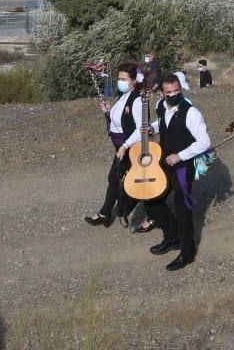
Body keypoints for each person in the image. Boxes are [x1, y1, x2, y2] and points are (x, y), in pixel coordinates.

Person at [140, 73, 212, 271]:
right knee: (152, 199)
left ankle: (187, 253)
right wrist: (152, 129)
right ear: (162, 93)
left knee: (183, 209)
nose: (173, 95)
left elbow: (205, 142)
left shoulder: (191, 113)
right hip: (164, 162)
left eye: (177, 91)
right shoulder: (161, 106)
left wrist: (180, 156)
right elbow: (163, 122)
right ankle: (172, 237)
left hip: (182, 166)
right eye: (169, 92)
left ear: (181, 90)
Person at [85, 62, 144, 228]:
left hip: (130, 148)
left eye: (124, 79)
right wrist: (109, 111)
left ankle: (147, 212)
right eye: (119, 78)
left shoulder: (138, 100)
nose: (120, 81)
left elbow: (141, 129)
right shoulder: (123, 96)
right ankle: (106, 213)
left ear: (134, 81)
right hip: (120, 147)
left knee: (124, 179)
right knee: (116, 178)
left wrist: (125, 146)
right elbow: (119, 120)